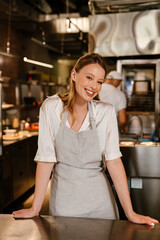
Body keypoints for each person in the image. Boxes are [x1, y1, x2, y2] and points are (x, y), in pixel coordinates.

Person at [12, 53, 158, 226]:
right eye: (89, 77)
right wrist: (35, 208)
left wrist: (131, 213)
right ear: (74, 75)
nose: (94, 86)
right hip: (63, 201)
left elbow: (113, 161)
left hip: (100, 203)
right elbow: (46, 159)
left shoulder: (105, 111)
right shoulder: (51, 107)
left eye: (99, 81)